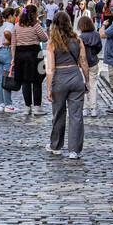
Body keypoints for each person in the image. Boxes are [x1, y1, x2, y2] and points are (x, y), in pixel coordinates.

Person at [45, 12, 89, 159]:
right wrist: (87, 81)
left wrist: (49, 88)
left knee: (58, 114)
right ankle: (74, 150)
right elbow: (83, 62)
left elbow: (50, 68)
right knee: (76, 115)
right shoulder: (77, 40)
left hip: (59, 78)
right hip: (76, 77)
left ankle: (56, 146)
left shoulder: (52, 43)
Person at [11, 5, 49, 116]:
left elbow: (13, 43)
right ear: (34, 14)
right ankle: (37, 107)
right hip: (34, 54)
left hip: (20, 55)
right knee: (37, 81)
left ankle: (27, 107)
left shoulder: (17, 26)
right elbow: (45, 38)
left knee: (25, 81)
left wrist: (13, 58)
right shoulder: (35, 26)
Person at [77, 14, 103, 117]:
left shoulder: (80, 37)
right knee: (93, 85)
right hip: (93, 62)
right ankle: (93, 109)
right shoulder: (96, 35)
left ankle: (84, 108)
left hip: (82, 64)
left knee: (83, 86)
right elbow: (99, 48)